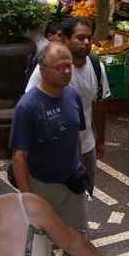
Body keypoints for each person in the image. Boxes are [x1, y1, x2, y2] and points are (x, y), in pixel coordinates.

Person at [10, 42, 97, 256]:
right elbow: (20, 156)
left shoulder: (72, 95)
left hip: (72, 185)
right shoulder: (27, 106)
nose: (67, 71)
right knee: (39, 247)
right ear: (43, 69)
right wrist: (27, 197)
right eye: (60, 67)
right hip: (41, 187)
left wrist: (79, 166)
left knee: (78, 242)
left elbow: (76, 134)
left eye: (69, 65)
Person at [25, 18, 110, 198]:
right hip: (53, 149)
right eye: (80, 38)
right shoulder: (46, 68)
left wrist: (100, 139)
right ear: (65, 39)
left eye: (89, 38)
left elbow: (98, 103)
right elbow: (29, 103)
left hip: (86, 145)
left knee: (84, 196)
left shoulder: (96, 67)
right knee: (53, 203)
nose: (86, 42)